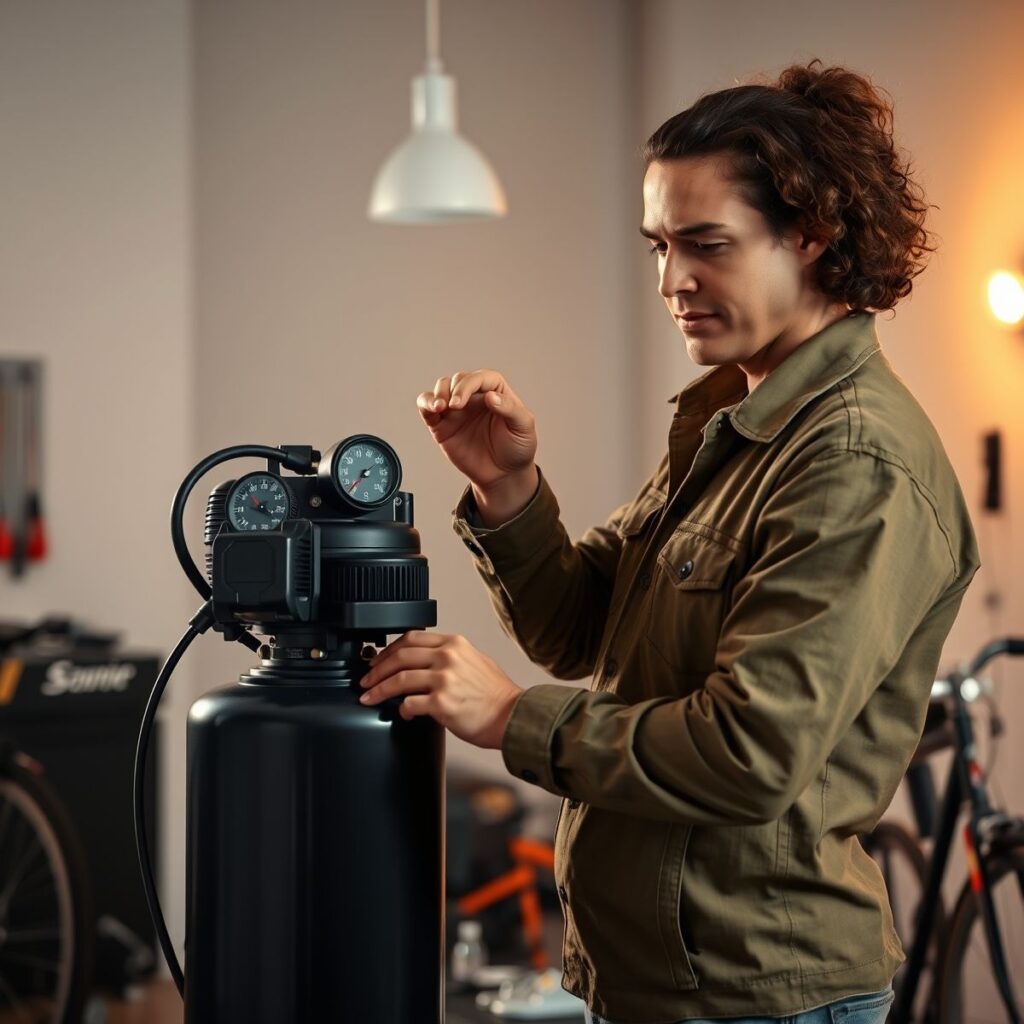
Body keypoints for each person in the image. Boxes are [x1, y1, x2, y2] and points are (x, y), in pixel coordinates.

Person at [358, 60, 979, 1024]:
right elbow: (580, 628)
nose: (671, 282)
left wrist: (512, 717)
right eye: (657, 246)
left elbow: (747, 751)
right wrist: (509, 485)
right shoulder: (737, 413)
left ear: (811, 235)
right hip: (658, 984)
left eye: (706, 245)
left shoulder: (856, 461)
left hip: (758, 996)